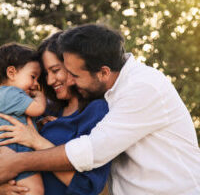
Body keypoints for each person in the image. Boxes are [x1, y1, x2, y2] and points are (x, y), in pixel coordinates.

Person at [0, 24, 200, 195]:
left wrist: (18, 161)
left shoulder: (142, 88)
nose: (67, 80)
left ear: (103, 72)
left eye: (73, 74)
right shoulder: (54, 108)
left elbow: (91, 152)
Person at [0, 32, 110, 195]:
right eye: (46, 74)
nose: (50, 81)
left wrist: (36, 141)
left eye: (55, 70)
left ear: (74, 67)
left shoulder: (96, 111)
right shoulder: (48, 110)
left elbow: (93, 189)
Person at [0, 43, 45, 195]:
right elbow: (38, 108)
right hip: (15, 149)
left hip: (7, 149)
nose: (35, 84)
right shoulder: (11, 93)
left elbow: (23, 120)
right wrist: (40, 96)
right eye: (33, 77)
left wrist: (40, 123)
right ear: (11, 73)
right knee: (34, 190)